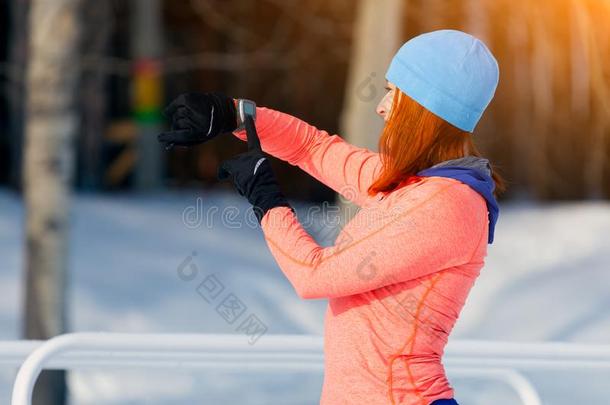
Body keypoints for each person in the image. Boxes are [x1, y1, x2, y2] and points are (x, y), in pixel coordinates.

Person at [159, 29, 507, 405]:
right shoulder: (412, 187)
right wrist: (234, 114)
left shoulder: (445, 205)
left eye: (393, 91)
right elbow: (314, 148)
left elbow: (314, 275)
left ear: (425, 108)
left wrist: (266, 198)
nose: (382, 106)